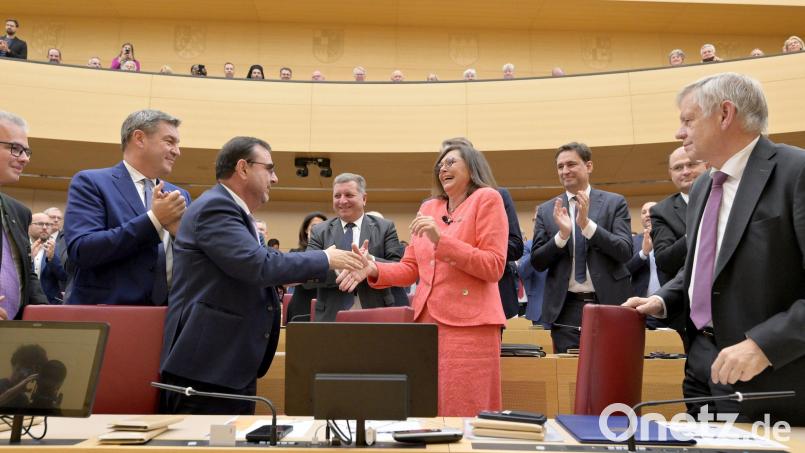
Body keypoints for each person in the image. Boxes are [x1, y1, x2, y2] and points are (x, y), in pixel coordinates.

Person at [624, 72, 805, 425]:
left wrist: (765, 345)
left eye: (688, 120)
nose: (679, 133)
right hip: (701, 364)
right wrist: (664, 299)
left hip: (771, 375)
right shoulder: (705, 185)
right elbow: (704, 266)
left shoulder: (796, 172)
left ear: (725, 114)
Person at [160, 136, 363, 414]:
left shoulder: (232, 211)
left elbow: (254, 269)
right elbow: (259, 265)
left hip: (228, 364)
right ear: (243, 168)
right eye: (269, 168)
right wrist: (325, 258)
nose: (276, 178)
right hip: (208, 366)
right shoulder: (215, 208)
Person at [338, 140, 508, 416]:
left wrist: (442, 241)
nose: (443, 168)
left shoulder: (487, 199)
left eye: (451, 162)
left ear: (472, 166)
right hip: (426, 325)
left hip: (470, 328)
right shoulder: (429, 208)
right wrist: (373, 269)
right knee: (428, 408)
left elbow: (494, 265)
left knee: (464, 409)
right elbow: (409, 268)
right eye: (440, 165)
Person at [63, 109, 190, 305]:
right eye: (169, 141)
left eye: (177, 144)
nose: (177, 151)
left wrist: (180, 236)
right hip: (109, 314)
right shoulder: (91, 182)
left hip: (169, 318)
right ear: (139, 138)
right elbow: (83, 250)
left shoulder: (180, 196)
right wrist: (154, 221)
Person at [530, 142, 632, 353]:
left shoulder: (614, 203)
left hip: (608, 303)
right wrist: (561, 236)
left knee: (611, 371)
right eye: (560, 167)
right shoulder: (548, 210)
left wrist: (587, 226)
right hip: (566, 308)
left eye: (571, 164)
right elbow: (538, 262)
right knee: (571, 378)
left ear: (589, 166)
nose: (565, 171)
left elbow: (624, 251)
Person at [306, 173, 404, 321]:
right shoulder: (320, 231)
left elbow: (399, 270)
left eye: (349, 195)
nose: (342, 201)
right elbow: (307, 273)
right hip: (331, 315)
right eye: (337, 196)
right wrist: (337, 268)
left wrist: (370, 262)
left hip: (377, 313)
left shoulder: (385, 227)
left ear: (364, 199)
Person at [0, 111, 48, 320]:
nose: (25, 159)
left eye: (27, 151)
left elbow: (27, 273)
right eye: (15, 149)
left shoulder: (18, 212)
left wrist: (48, 316)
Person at [650, 146, 707, 287]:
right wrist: (693, 234)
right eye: (678, 168)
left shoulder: (727, 195)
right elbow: (664, 261)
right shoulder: (662, 211)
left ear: (707, 165)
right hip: (689, 292)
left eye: (692, 164)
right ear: (670, 174)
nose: (686, 172)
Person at [286, 212, 328, 322]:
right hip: (300, 309)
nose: (319, 230)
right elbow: (298, 280)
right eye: (314, 226)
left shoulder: (333, 253)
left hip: (326, 309)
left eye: (322, 226)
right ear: (306, 230)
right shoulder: (295, 253)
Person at [518, 206, 547, 326]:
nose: (537, 223)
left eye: (541, 219)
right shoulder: (528, 246)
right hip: (538, 311)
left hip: (563, 310)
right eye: (535, 220)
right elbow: (522, 271)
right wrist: (538, 248)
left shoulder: (562, 243)